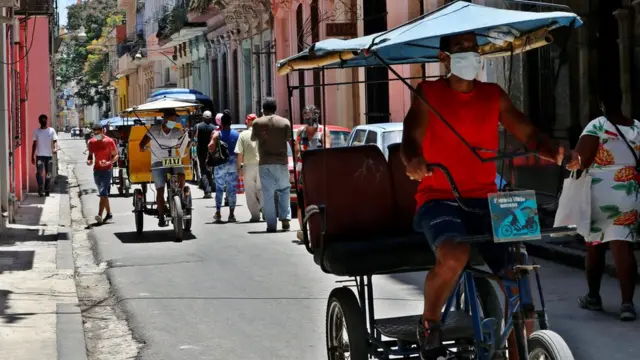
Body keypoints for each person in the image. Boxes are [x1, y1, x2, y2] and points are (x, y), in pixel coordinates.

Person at [402, 32, 574, 360]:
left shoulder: (493, 95)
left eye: (473, 48)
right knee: (455, 254)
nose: (470, 54)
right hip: (440, 199)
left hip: (489, 200)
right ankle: (430, 323)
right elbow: (411, 136)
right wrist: (413, 161)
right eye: (460, 48)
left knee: (517, 271)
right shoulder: (428, 93)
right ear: (444, 58)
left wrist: (558, 155)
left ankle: (522, 346)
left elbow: (528, 133)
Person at [567, 85, 638, 321]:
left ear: (602, 104)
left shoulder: (598, 125)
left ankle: (593, 297)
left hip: (600, 190)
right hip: (629, 189)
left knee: (595, 245)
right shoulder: (637, 127)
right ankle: (627, 304)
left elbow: (581, 159)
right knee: (623, 246)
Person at [139, 108, 189, 227]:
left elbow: (185, 142)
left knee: (182, 175)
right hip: (158, 161)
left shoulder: (177, 131)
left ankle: (180, 195)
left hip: (173, 161)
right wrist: (142, 147)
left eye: (175, 118)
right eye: (173, 118)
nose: (175, 120)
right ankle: (161, 216)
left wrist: (190, 139)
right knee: (160, 190)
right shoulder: (154, 130)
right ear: (165, 119)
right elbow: (142, 143)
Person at [251, 97, 292, 233]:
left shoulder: (257, 122)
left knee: (268, 194)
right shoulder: (285, 122)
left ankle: (271, 225)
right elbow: (288, 139)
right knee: (284, 190)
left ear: (263, 109)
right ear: (275, 108)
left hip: (265, 162)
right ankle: (285, 220)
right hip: (281, 161)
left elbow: (253, 138)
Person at [295, 105, 323, 240]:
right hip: (303, 173)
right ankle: (303, 230)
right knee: (302, 202)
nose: (310, 118)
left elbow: (327, 151)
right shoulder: (301, 132)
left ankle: (319, 228)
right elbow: (297, 153)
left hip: (319, 173)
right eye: (307, 116)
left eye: (312, 115)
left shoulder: (324, 131)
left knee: (319, 200)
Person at [209, 110, 240, 223]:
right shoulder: (237, 134)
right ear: (231, 122)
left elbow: (210, 146)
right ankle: (231, 214)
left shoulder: (218, 134)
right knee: (232, 190)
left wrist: (213, 153)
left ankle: (218, 213)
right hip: (233, 164)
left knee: (219, 189)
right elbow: (240, 151)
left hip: (220, 164)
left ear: (221, 123)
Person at [86, 123, 118, 224]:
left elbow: (116, 155)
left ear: (103, 131)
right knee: (103, 194)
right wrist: (89, 161)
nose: (97, 135)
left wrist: (108, 162)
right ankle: (109, 214)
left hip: (107, 170)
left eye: (98, 133)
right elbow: (90, 155)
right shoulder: (91, 142)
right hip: (96, 170)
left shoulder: (109, 141)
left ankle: (99, 215)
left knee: (103, 192)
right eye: (95, 133)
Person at [235, 113, 263, 222]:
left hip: (248, 166)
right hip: (262, 165)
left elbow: (240, 154)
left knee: (250, 192)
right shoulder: (262, 133)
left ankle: (255, 216)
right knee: (262, 190)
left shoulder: (243, 135)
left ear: (247, 122)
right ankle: (266, 211)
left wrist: (239, 168)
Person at [31, 114, 59, 196]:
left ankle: (47, 190)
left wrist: (55, 148)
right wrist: (32, 156)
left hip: (49, 156)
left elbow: (55, 141)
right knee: (39, 173)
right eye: (42, 120)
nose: (43, 121)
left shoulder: (51, 130)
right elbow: (34, 144)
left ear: (47, 121)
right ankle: (40, 187)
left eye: (45, 120)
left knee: (48, 173)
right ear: (39, 121)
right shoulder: (36, 131)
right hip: (39, 156)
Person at [194, 110, 216, 198]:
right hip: (211, 151)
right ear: (211, 118)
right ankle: (209, 188)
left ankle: (207, 190)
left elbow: (193, 138)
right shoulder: (214, 128)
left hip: (200, 151)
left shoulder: (197, 126)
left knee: (203, 170)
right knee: (210, 170)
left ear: (202, 118)